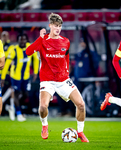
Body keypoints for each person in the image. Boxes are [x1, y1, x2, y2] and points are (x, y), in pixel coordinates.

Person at [26, 13, 89, 142]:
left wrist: (66, 71)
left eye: (60, 26)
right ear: (50, 26)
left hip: (63, 79)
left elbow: (66, 56)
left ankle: (80, 132)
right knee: (43, 107)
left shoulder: (65, 41)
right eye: (55, 26)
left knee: (81, 104)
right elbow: (28, 52)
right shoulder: (43, 41)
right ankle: (44, 126)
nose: (58, 28)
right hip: (47, 80)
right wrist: (40, 38)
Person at [1, 33, 39, 121]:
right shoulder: (14, 50)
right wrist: (3, 77)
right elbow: (6, 64)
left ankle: (12, 106)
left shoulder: (30, 48)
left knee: (26, 95)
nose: (22, 41)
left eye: (24, 39)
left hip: (26, 77)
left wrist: (36, 72)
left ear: (26, 40)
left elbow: (36, 60)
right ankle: (18, 114)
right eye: (20, 39)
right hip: (15, 77)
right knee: (17, 94)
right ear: (17, 41)